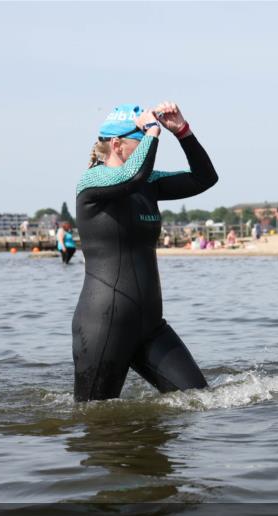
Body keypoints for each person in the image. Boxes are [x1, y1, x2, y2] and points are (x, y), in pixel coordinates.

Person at [72, 101, 217, 401]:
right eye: (140, 144)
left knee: (202, 400)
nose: (146, 153)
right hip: (104, 323)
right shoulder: (91, 182)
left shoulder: (148, 182)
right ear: (116, 145)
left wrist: (183, 132)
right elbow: (131, 176)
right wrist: (152, 132)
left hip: (150, 324)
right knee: (95, 422)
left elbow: (205, 178)